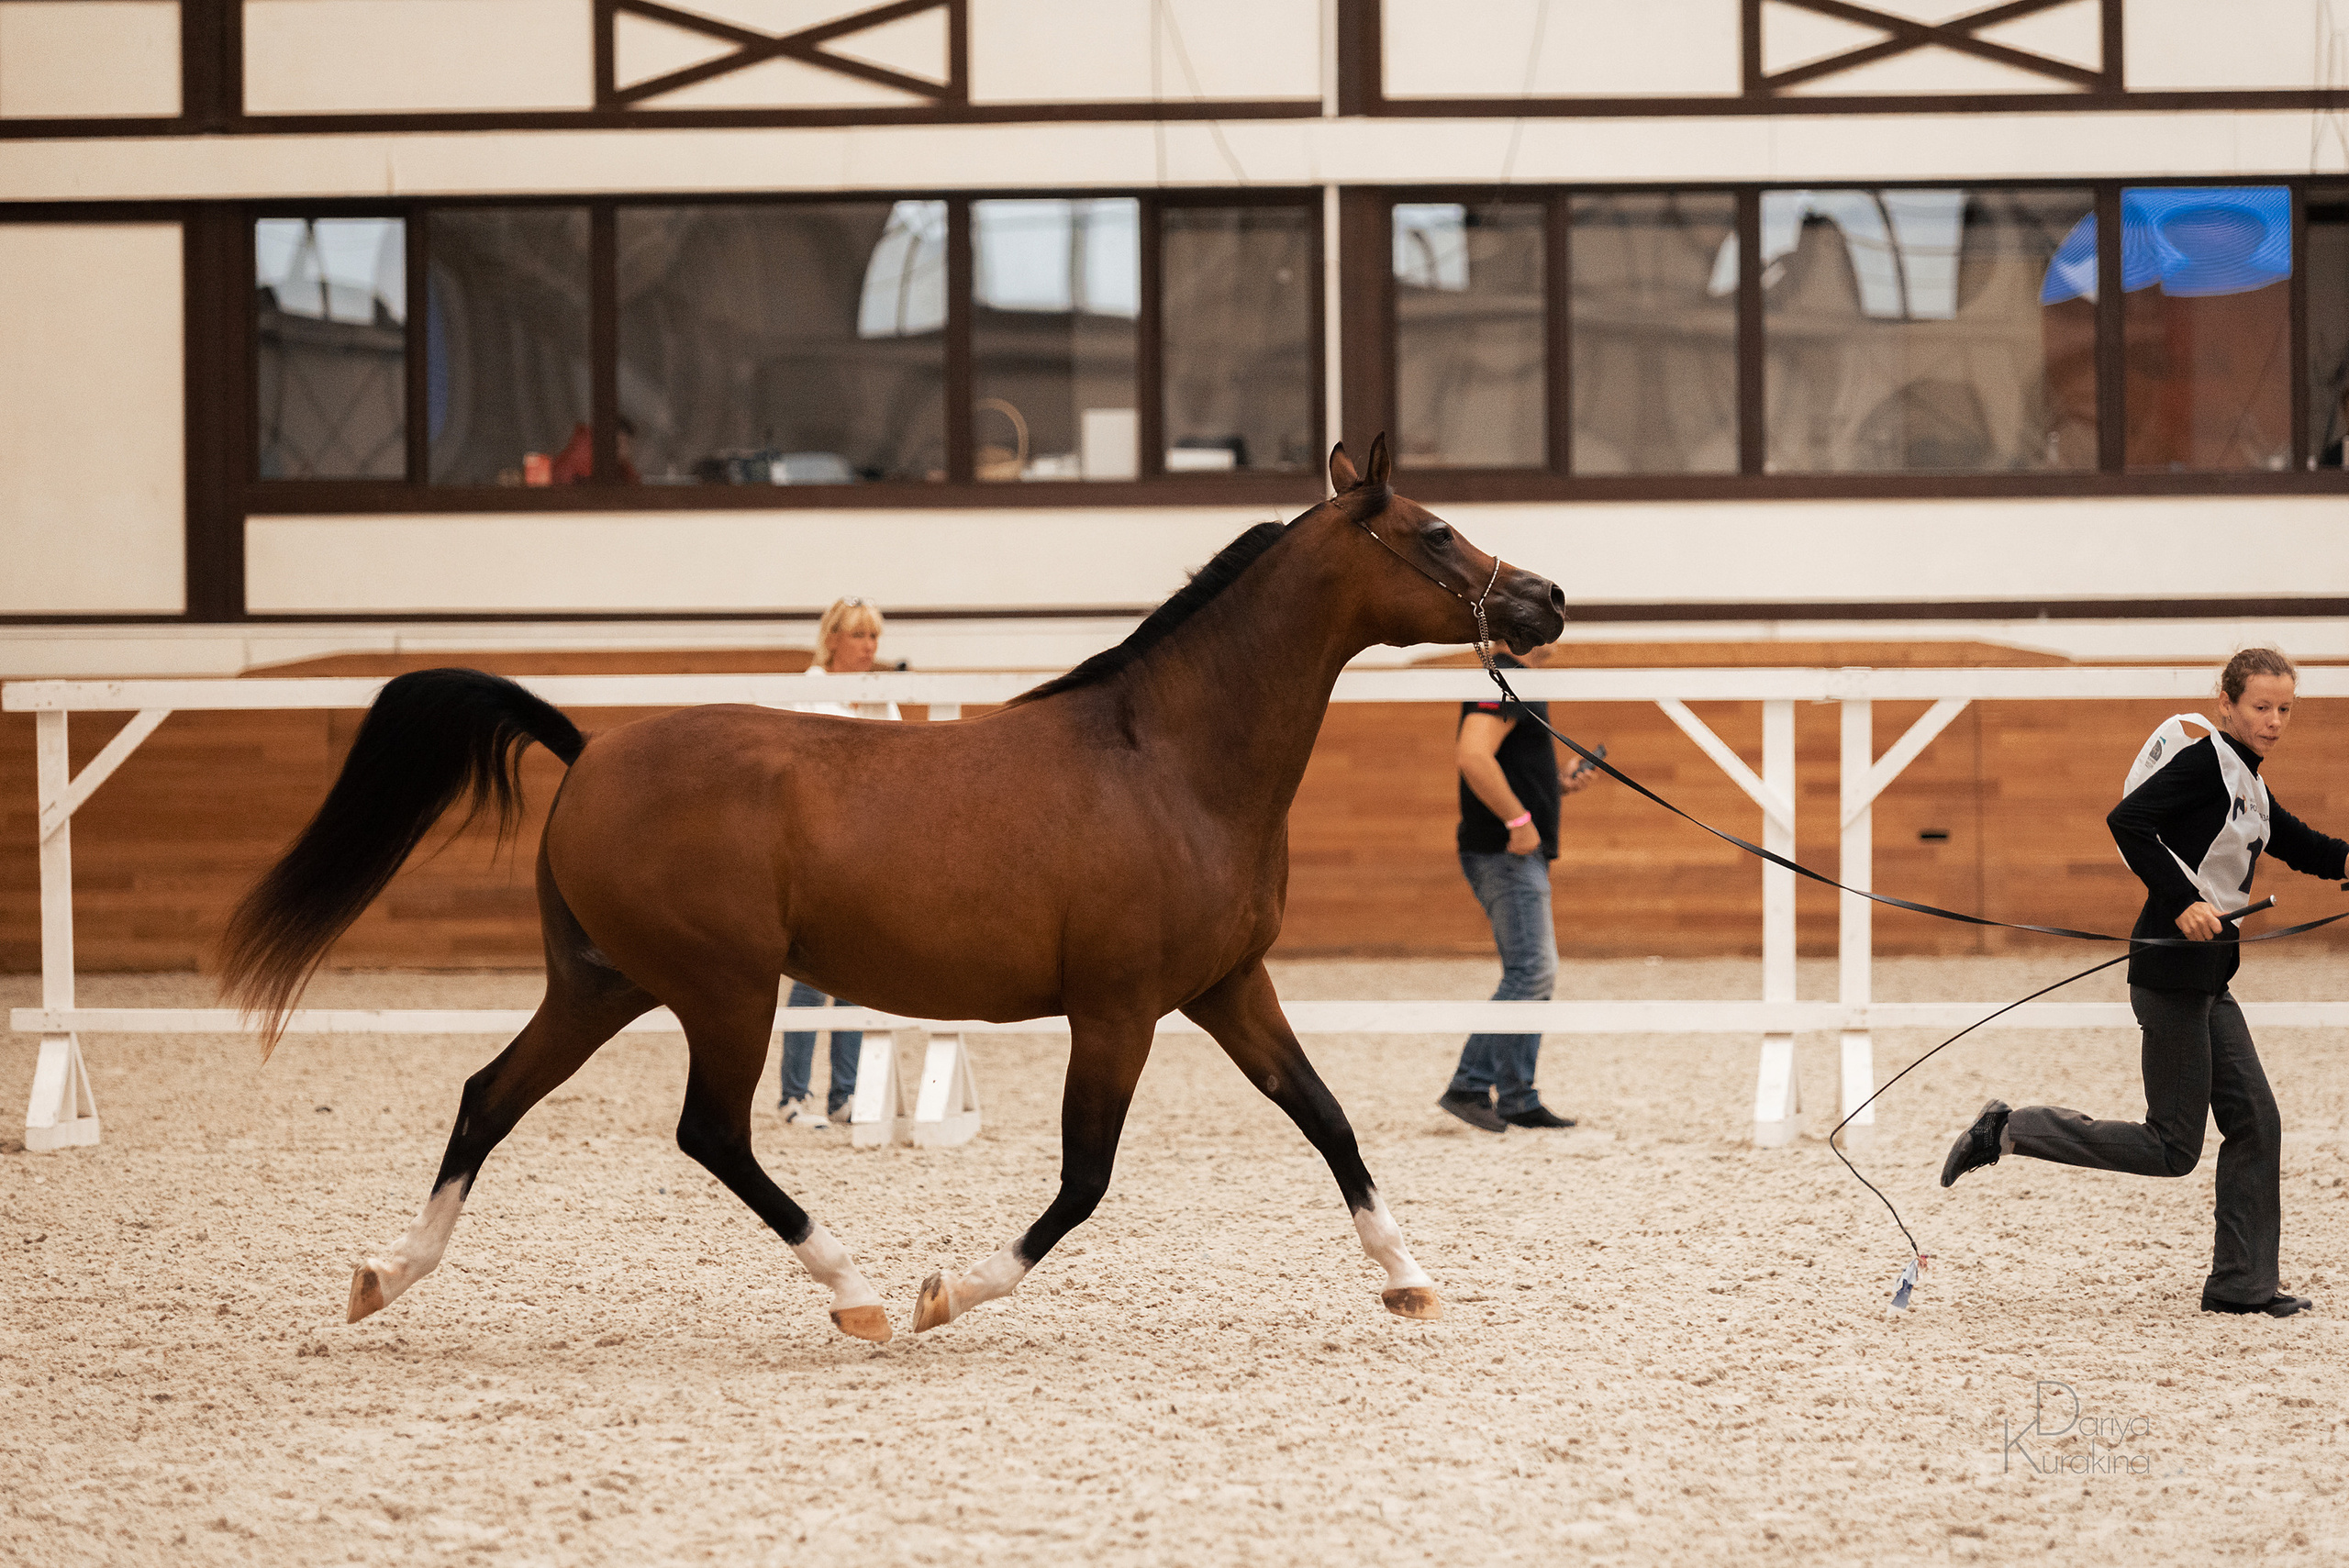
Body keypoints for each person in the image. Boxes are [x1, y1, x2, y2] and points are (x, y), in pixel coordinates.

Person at [1940, 648, 2344, 1318]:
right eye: (2261, 707)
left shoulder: (2248, 782)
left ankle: (2241, 1285)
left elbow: (2299, 843)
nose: (2274, 721)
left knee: (2257, 1121)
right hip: (2171, 977)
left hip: (2210, 981)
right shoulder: (2205, 764)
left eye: (2284, 709)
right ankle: (2010, 1128)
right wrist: (2183, 899)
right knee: (2172, 1146)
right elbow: (2128, 820)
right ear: (2227, 703)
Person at [1436, 653, 1598, 1133]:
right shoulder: (1506, 678)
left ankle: (1516, 1096)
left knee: (1530, 974)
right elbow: (1473, 755)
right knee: (1532, 972)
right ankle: (1469, 1085)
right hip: (1505, 853)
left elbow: (1502, 761)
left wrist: (1555, 786)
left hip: (1508, 852)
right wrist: (1519, 820)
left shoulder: (1512, 679)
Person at [773, 596, 900, 1129]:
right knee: (810, 976)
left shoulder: (883, 699)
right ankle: (793, 1097)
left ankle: (844, 1094)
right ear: (833, 641)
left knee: (856, 973)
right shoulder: (808, 694)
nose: (869, 647)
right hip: (815, 858)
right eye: (858, 636)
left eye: (874, 637)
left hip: (867, 858)